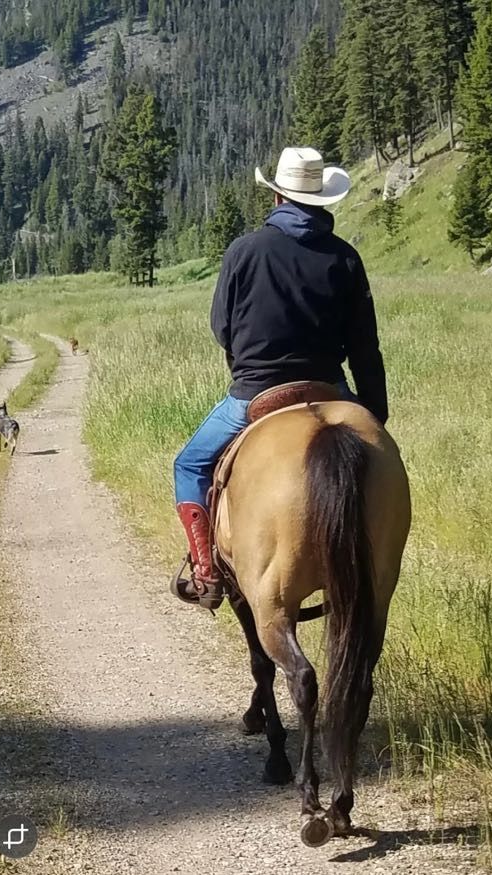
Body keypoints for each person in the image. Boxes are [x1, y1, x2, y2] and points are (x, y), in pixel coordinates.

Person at [172, 146, 388, 610]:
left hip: (256, 393)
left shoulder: (245, 250)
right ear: (322, 200)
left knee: (189, 466)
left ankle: (206, 572)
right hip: (332, 391)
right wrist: (375, 415)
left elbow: (222, 329)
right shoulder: (346, 258)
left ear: (277, 198)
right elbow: (365, 348)